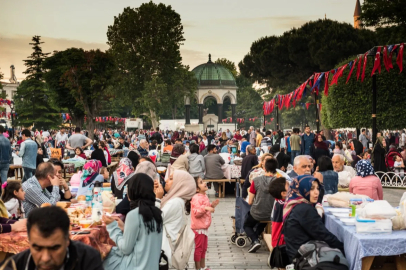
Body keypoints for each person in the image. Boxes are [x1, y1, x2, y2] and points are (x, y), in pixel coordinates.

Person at [10, 206, 103, 270]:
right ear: (29, 242)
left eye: (55, 248)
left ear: (68, 240)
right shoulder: (13, 266)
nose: (45, 258)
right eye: (38, 248)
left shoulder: (87, 259)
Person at [102, 173, 163, 270]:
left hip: (134, 266)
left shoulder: (134, 214)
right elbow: (143, 240)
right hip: (151, 266)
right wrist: (125, 227)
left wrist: (112, 226)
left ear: (133, 191)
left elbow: (126, 249)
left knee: (99, 258)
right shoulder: (158, 213)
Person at [283, 175, 344, 262]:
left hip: (296, 252)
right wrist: (344, 248)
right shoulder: (304, 209)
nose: (317, 192)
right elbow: (323, 235)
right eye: (311, 189)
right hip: (303, 259)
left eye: (317, 188)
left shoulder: (295, 203)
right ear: (302, 189)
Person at [157, 170, 196, 266]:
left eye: (170, 179)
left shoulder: (175, 202)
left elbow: (155, 219)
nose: (166, 180)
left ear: (180, 184)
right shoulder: (177, 201)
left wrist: (157, 198)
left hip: (166, 253)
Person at [244, 158, 278, 253]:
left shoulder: (256, 180)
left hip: (257, 212)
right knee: (264, 221)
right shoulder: (279, 182)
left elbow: (250, 201)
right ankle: (256, 238)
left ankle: (255, 240)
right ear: (276, 169)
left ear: (264, 168)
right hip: (272, 213)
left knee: (247, 225)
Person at [191, 177, 220, 270]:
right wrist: (207, 208)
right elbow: (196, 212)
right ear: (196, 188)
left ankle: (203, 266)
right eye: (201, 182)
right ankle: (198, 267)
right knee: (199, 249)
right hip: (198, 228)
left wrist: (211, 206)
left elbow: (205, 208)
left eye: (203, 181)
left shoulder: (204, 195)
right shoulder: (196, 198)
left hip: (204, 227)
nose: (204, 183)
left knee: (203, 248)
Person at [268, 177, 289, 248]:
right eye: (289, 186)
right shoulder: (283, 204)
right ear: (284, 193)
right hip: (280, 241)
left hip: (278, 240)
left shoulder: (279, 201)